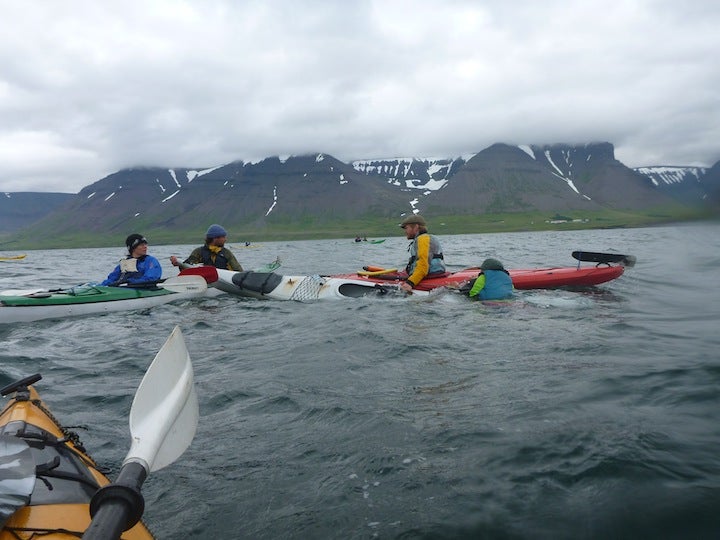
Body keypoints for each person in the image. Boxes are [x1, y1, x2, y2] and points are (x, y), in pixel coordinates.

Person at [398, 214, 446, 293]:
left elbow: (423, 264)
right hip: (432, 274)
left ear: (416, 227)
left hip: (429, 276)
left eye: (406, 228)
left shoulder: (423, 239)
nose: (405, 231)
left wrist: (410, 283)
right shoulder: (423, 239)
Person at [170, 224, 243, 271]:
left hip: (224, 283)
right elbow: (187, 268)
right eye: (223, 237)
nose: (225, 239)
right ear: (215, 238)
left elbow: (238, 271)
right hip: (205, 282)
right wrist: (178, 263)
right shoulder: (198, 252)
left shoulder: (226, 253)